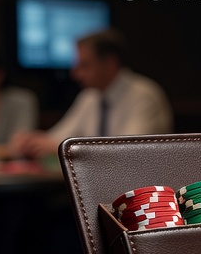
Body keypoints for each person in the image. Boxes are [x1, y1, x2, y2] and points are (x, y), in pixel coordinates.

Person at [10, 29, 172, 159]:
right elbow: (58, 137)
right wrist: (32, 140)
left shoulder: (144, 95)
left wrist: (64, 148)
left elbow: (128, 152)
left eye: (85, 65)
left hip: (140, 191)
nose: (75, 74)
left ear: (110, 63)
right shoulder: (89, 96)